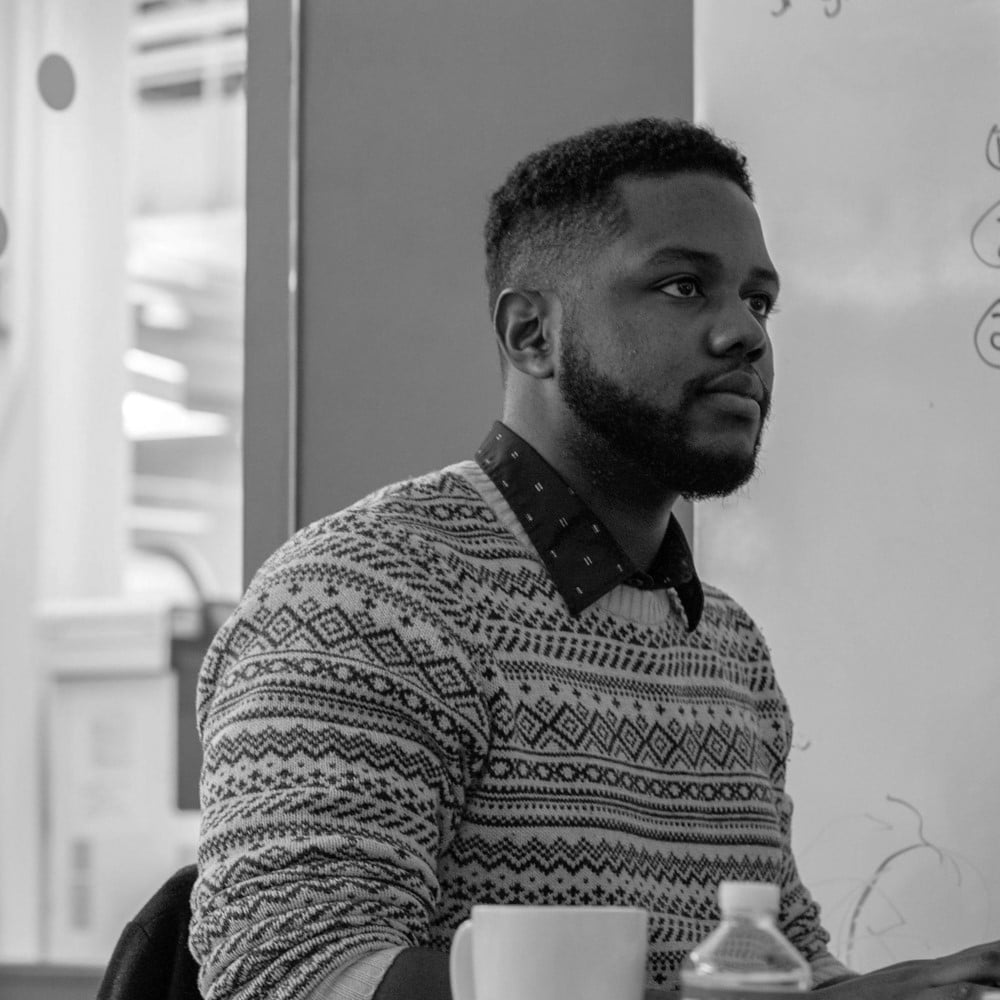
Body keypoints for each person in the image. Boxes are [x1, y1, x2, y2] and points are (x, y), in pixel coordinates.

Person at [189, 118, 1000, 1000]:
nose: (746, 335)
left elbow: (773, 966)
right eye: (685, 287)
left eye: (759, 300)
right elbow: (292, 973)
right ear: (532, 334)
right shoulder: (361, 595)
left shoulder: (727, 651)